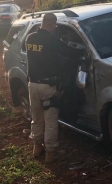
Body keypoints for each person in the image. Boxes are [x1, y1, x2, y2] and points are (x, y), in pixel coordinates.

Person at [25, 13, 84, 163]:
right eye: (55, 25)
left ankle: (37, 148)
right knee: (50, 120)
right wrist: (83, 52)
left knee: (36, 118)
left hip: (32, 85)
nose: (55, 28)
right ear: (51, 24)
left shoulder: (30, 38)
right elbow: (68, 52)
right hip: (47, 86)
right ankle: (51, 152)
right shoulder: (51, 40)